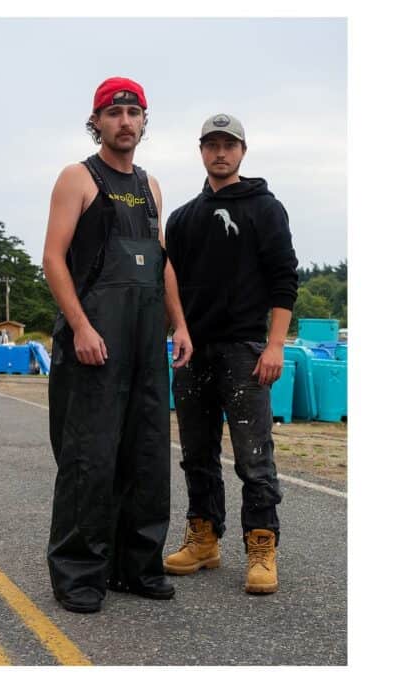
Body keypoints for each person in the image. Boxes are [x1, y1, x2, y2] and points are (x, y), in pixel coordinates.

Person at [42, 76, 193, 613]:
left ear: (144, 121)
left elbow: (161, 261)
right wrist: (80, 326)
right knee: (90, 457)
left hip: (145, 340)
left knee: (147, 455)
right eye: (114, 112)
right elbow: (53, 259)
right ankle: (81, 574)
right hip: (96, 342)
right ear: (97, 121)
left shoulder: (152, 187)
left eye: (133, 112)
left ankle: (136, 566)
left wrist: (179, 325)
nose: (124, 121)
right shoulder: (78, 178)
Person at [163, 115, 298, 594]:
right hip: (193, 351)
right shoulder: (182, 218)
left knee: (253, 457)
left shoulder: (266, 208)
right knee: (196, 453)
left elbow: (284, 278)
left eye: (229, 145)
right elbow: (168, 279)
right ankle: (204, 536)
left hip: (245, 350)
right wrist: (178, 328)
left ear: (242, 151)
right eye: (212, 145)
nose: (220, 153)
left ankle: (261, 545)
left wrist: (275, 344)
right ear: (201, 151)